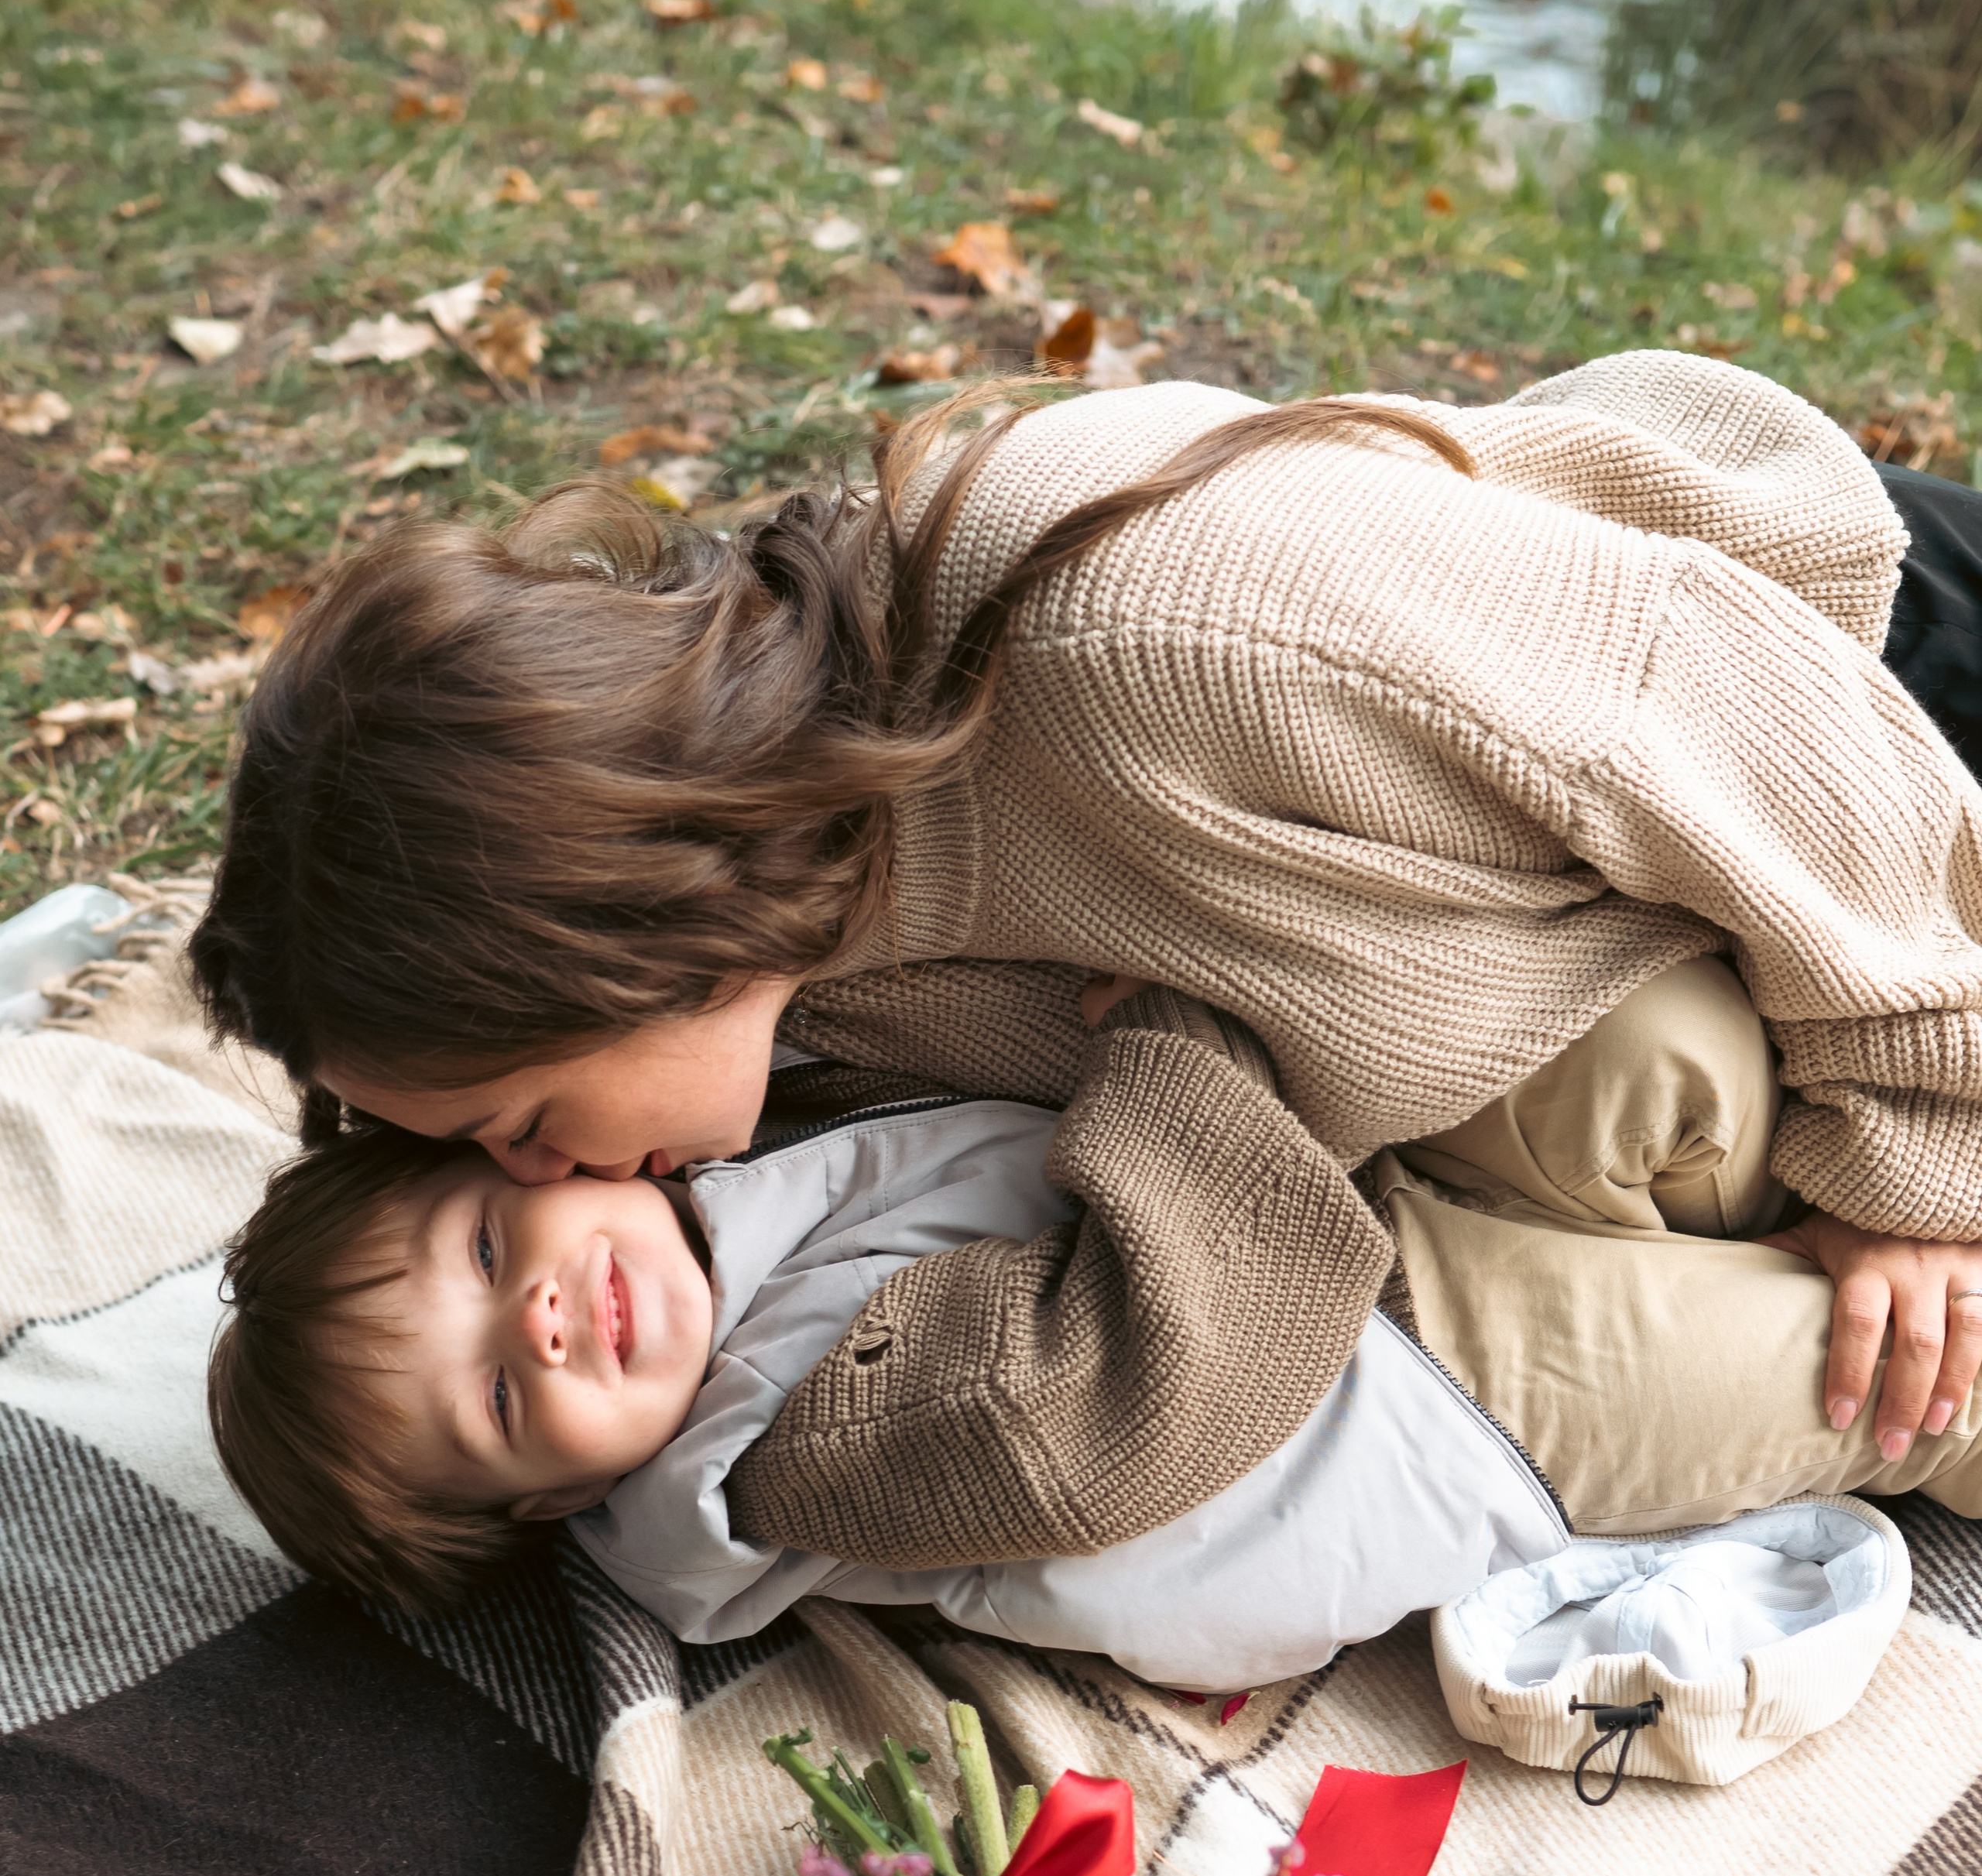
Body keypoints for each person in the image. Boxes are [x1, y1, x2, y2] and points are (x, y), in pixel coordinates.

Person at [188, 352, 1982, 1576]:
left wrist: (1916, 1162)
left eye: (512, 1120)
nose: (527, 1176)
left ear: (610, 942)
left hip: (1875, 730)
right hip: (1606, 921)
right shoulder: (786, 995)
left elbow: (1751, 728)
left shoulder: (1148, 633)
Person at [204, 977, 1982, 1682]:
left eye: (501, 1239)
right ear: (540, 1510)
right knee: (1857, 1371)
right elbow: (1108, 1394)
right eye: (516, 1396)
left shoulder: (720, 1165)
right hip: (1388, 1405)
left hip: (1342, 1202)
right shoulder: (782, 1453)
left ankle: (1876, 1165)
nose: (552, 1315)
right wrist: (1178, 1047)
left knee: (1653, 1050)